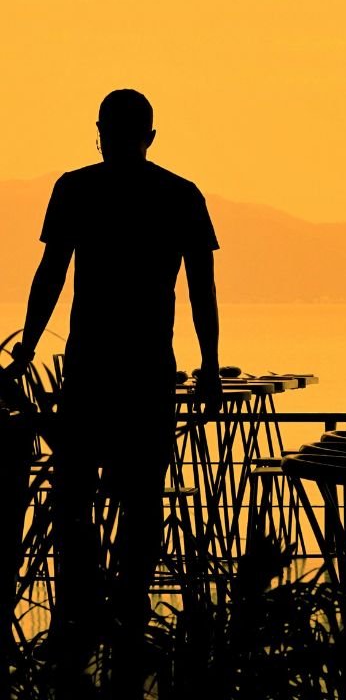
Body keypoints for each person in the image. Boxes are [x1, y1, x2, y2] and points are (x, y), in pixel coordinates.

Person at [9, 89, 223, 697]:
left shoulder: (76, 189)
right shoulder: (181, 195)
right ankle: (127, 613)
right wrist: (209, 365)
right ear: (149, 136)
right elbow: (202, 289)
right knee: (140, 499)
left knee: (75, 497)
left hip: (91, 371)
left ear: (101, 131)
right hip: (147, 371)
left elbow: (51, 273)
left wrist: (26, 346)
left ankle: (80, 615)